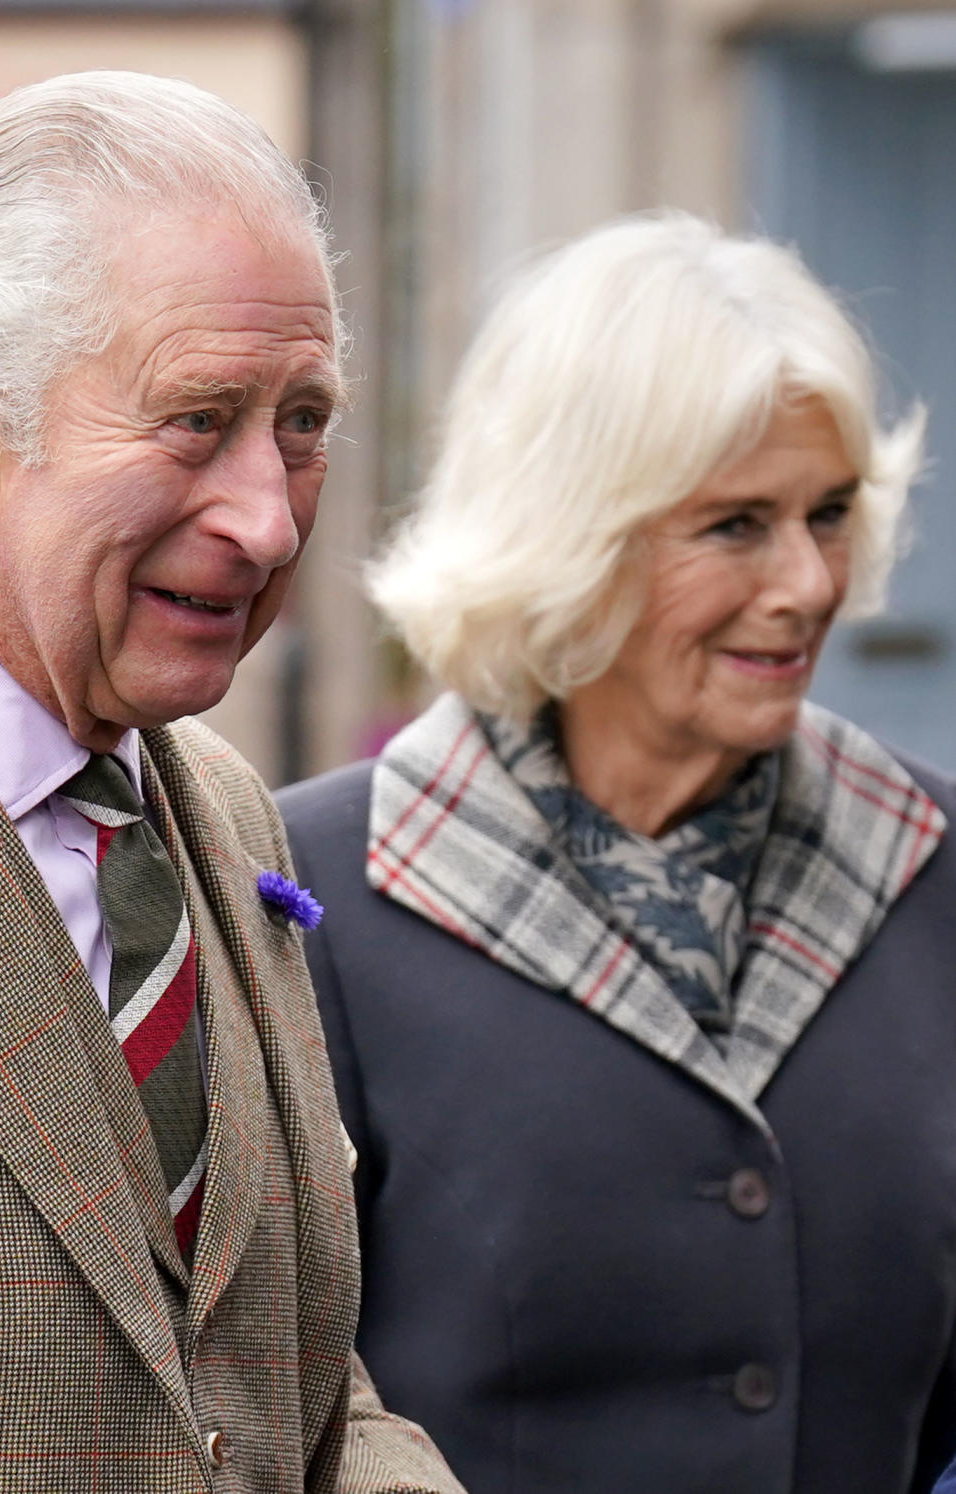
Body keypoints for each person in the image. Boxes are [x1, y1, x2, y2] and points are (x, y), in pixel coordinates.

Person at [0, 71, 463, 1494]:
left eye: (301, 420)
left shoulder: (222, 810)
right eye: (197, 419)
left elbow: (269, 1391)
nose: (263, 513)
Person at [278, 212, 956, 1494]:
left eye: (829, 513)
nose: (810, 581)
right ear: (571, 538)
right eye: (736, 525)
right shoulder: (315, 898)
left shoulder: (937, 866)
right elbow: (266, 1406)